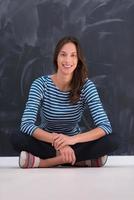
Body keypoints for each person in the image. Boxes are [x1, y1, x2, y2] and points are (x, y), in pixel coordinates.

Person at [11, 36, 118, 168]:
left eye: (73, 55)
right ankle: (80, 160)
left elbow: (105, 127)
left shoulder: (86, 86)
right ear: (56, 57)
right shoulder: (40, 84)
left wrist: (71, 140)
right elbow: (26, 124)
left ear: (78, 60)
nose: (68, 60)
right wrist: (60, 143)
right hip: (46, 141)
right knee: (17, 137)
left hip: (75, 142)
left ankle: (46, 162)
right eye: (63, 55)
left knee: (113, 140)